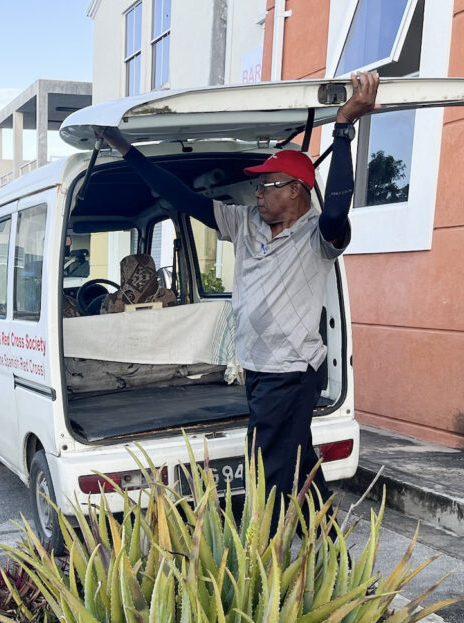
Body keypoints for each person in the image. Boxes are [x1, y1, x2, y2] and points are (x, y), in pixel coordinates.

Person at [99, 71, 380, 520]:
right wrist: (128, 152)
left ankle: (262, 562)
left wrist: (343, 129)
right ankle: (330, 556)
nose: (258, 194)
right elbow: (184, 200)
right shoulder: (245, 223)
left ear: (295, 191)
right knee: (299, 464)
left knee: (266, 474)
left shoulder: (319, 235)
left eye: (266, 185)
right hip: (256, 366)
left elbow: (338, 207)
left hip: (289, 372)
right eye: (257, 186)